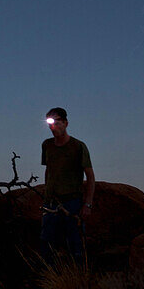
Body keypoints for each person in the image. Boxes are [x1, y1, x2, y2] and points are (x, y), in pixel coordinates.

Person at [40, 107, 95, 265]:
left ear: (66, 123)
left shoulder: (78, 147)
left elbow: (90, 176)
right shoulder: (47, 145)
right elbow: (48, 169)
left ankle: (78, 280)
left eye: (57, 122)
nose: (53, 127)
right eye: (50, 123)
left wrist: (88, 204)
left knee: (75, 245)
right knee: (47, 244)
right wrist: (46, 195)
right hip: (51, 204)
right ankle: (50, 281)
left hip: (72, 202)